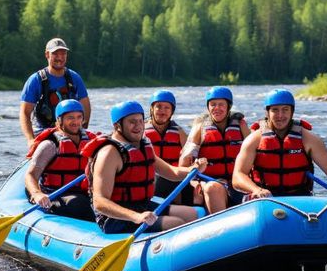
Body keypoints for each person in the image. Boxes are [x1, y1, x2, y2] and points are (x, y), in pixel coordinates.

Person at [84, 100, 207, 235]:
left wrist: (194, 169)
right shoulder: (109, 153)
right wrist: (135, 216)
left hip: (142, 206)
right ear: (117, 126)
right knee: (175, 223)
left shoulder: (143, 145)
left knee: (191, 214)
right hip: (115, 217)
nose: (138, 126)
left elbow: (172, 172)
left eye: (140, 121)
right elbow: (99, 202)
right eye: (132, 122)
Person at [232, 89, 327, 201]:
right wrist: (256, 189)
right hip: (264, 199)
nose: (280, 115)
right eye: (275, 110)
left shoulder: (309, 140)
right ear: (267, 113)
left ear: (292, 112)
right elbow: (238, 176)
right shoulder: (253, 140)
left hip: (299, 199)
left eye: (285, 110)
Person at [180, 86, 250, 213]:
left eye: (221, 104)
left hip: (237, 181)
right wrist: (196, 176)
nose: (216, 108)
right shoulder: (200, 128)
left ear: (228, 106)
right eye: (213, 104)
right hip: (211, 181)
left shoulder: (240, 125)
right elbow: (184, 164)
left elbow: (254, 155)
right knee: (213, 188)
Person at [23, 99, 95, 221]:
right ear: (59, 121)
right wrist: (37, 194)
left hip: (82, 192)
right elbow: (30, 175)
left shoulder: (92, 142)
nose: (76, 121)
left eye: (79, 117)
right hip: (54, 194)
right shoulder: (50, 145)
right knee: (78, 204)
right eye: (70, 118)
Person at [19, 37, 91, 146]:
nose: (59, 58)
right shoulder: (35, 80)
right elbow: (24, 113)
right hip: (43, 131)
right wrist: (30, 139)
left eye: (63, 54)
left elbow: (85, 104)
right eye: (55, 54)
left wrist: (82, 127)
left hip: (69, 131)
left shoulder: (74, 78)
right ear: (47, 55)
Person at [144, 89, 196, 206]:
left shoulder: (179, 132)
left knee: (186, 185)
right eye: (159, 107)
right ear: (152, 109)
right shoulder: (141, 132)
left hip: (175, 176)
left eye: (167, 108)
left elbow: (189, 156)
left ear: (172, 111)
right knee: (163, 179)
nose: (162, 110)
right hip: (152, 179)